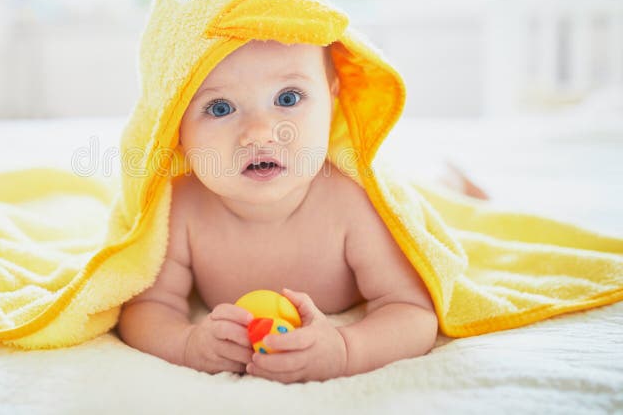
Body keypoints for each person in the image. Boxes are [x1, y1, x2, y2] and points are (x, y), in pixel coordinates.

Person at [116, 38, 489, 383]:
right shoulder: (181, 208)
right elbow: (148, 307)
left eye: (288, 98)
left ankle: (450, 182)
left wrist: (346, 350)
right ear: (175, 125)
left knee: (438, 204)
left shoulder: (353, 203)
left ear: (332, 100)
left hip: (387, 192)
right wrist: (186, 344)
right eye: (220, 107)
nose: (259, 133)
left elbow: (411, 310)